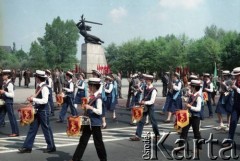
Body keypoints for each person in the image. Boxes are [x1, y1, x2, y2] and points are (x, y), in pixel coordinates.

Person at [18, 70, 56, 153]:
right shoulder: (39, 86)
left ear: (38, 78)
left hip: (44, 111)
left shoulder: (44, 87)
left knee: (46, 128)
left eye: (36, 77)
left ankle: (51, 146)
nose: (35, 78)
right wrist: (32, 100)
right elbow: (39, 98)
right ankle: (27, 147)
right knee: (32, 128)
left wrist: (33, 99)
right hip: (37, 110)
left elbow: (45, 101)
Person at [70, 77, 107, 161]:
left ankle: (103, 159)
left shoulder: (98, 98)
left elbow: (100, 112)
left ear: (94, 86)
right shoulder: (92, 96)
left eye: (89, 86)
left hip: (95, 123)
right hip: (88, 122)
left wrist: (90, 107)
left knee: (98, 143)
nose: (88, 87)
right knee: (83, 141)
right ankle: (75, 159)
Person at [129, 74, 160, 141]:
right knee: (141, 121)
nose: (146, 81)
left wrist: (144, 102)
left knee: (153, 121)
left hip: (150, 107)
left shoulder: (154, 90)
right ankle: (137, 135)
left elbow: (152, 101)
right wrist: (141, 102)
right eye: (146, 80)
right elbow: (143, 96)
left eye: (147, 80)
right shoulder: (145, 88)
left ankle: (157, 135)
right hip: (144, 106)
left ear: (150, 81)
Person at [179, 79, 203, 151]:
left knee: (196, 132)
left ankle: (199, 146)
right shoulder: (191, 95)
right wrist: (186, 101)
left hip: (195, 117)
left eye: (191, 87)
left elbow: (198, 109)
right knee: (184, 131)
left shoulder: (198, 97)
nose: (190, 88)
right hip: (188, 115)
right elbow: (189, 102)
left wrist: (190, 107)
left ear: (194, 88)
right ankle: (181, 146)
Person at [0, 70, 19, 136]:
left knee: (11, 117)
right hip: (4, 101)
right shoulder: (5, 83)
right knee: (1, 116)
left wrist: (4, 92)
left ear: (7, 76)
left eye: (4, 75)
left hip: (8, 102)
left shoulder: (10, 84)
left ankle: (15, 132)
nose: (2, 76)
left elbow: (12, 95)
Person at [225, 67, 240, 146]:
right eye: (236, 75)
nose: (236, 77)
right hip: (236, 104)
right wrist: (229, 88)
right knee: (233, 122)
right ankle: (229, 140)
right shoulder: (235, 82)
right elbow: (230, 90)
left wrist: (236, 88)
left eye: (237, 75)